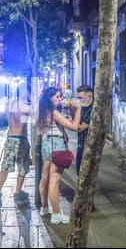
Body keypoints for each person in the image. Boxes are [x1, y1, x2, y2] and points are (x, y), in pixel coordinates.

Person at [36, 87, 81, 224]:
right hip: (57, 145)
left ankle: (44, 208)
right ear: (49, 98)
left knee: (45, 178)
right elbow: (74, 127)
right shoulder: (54, 112)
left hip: (46, 143)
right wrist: (78, 110)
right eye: (56, 97)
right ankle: (56, 214)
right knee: (54, 181)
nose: (59, 99)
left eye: (60, 97)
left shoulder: (42, 111)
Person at [0, 90, 32, 208]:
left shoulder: (9, 103)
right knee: (22, 169)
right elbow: (36, 115)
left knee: (5, 167)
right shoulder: (25, 106)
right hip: (21, 140)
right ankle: (18, 192)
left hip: (10, 138)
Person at [75, 85, 93, 176]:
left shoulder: (92, 110)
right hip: (81, 143)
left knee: (85, 172)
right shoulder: (83, 107)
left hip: (89, 145)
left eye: (80, 98)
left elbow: (80, 127)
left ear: (89, 97)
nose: (78, 100)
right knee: (79, 170)